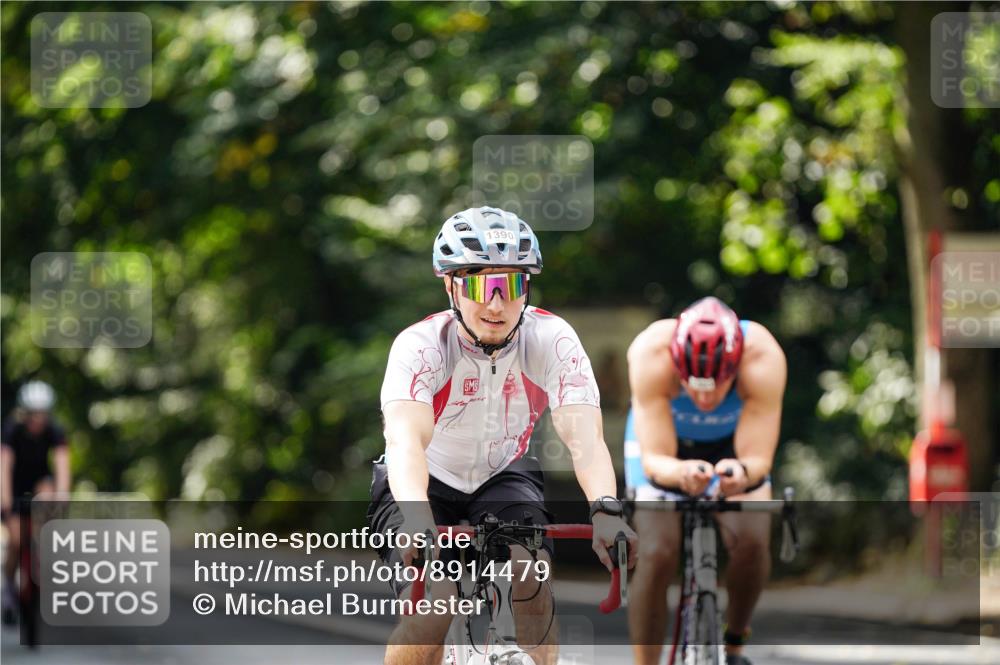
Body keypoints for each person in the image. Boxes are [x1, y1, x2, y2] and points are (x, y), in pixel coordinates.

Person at [368, 206, 637, 665]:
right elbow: (405, 441)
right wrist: (417, 518)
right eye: (480, 285)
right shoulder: (422, 346)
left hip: (503, 472)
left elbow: (585, 438)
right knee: (438, 601)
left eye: (510, 285)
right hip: (423, 478)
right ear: (450, 285)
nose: (496, 304)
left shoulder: (551, 339)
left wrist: (606, 509)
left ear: (526, 287)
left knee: (530, 575)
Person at [624, 297, 786, 665]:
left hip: (734, 446)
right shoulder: (651, 352)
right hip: (665, 447)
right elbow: (654, 460)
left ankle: (734, 642)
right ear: (676, 364)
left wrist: (741, 474)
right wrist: (681, 473)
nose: (704, 396)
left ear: (736, 365)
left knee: (753, 540)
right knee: (657, 550)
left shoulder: (763, 357)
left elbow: (758, 459)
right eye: (693, 385)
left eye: (718, 384)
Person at [1, 380, 71, 624]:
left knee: (48, 494)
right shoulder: (12, 430)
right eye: (33, 414)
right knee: (16, 542)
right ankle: (9, 589)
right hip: (14, 485)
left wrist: (62, 495)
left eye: (42, 414)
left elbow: (62, 464)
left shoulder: (55, 430)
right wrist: (6, 502)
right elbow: (5, 466)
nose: (37, 419)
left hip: (40, 482)